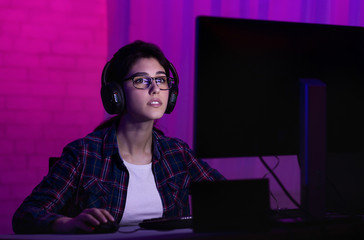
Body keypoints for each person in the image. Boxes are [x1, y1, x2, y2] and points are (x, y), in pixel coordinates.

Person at [12, 40, 225, 234]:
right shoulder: (83, 154)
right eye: (141, 80)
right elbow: (26, 215)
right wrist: (68, 223)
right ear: (116, 93)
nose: (155, 89)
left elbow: (230, 198)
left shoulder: (178, 154)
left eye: (161, 80)